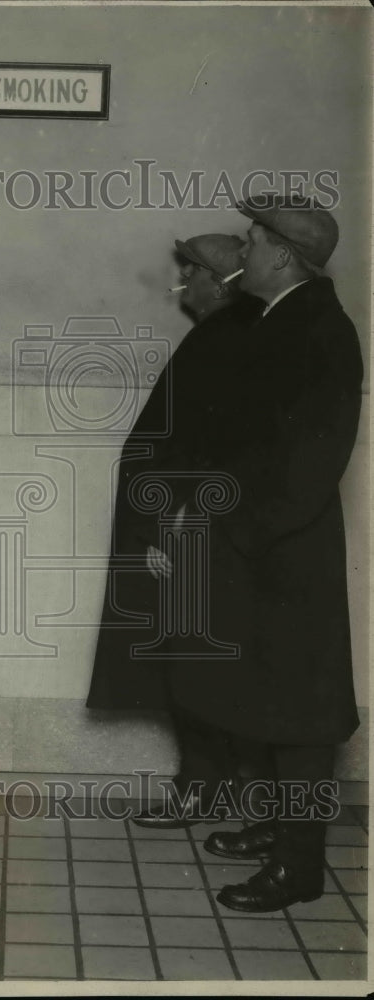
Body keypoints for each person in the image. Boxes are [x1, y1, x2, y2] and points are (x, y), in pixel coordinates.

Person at [196, 197, 363, 912]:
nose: (242, 250)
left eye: (252, 240)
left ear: (283, 257)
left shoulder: (318, 326)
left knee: (298, 709)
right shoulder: (283, 319)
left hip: (284, 551)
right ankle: (279, 828)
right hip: (262, 545)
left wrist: (245, 531)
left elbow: (310, 458)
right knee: (268, 697)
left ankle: (299, 867)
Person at [86, 234, 262, 824]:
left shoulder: (225, 339)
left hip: (187, 530)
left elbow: (210, 451)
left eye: (193, 270)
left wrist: (170, 527)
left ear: (222, 281)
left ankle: (203, 787)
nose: (183, 279)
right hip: (189, 524)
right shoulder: (225, 335)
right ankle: (212, 785)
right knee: (197, 659)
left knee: (195, 661)